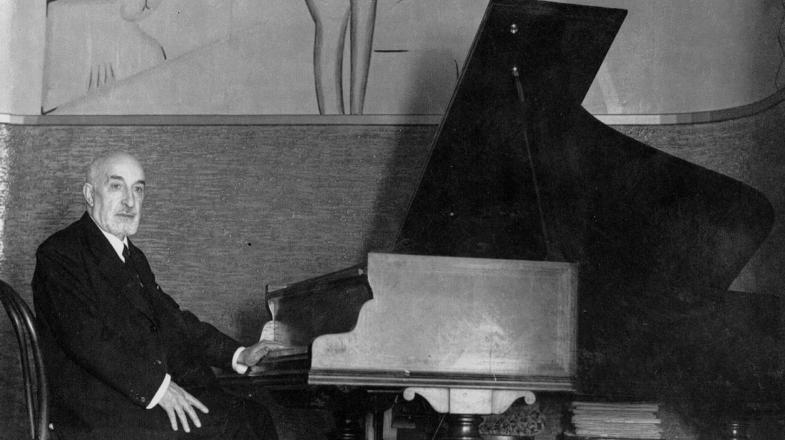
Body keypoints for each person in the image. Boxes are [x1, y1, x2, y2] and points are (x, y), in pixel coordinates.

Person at [32, 151, 279, 439]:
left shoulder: (132, 256)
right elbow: (88, 340)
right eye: (116, 186)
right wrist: (159, 390)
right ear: (89, 194)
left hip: (133, 399)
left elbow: (173, 320)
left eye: (138, 189)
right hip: (97, 414)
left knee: (252, 413)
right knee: (239, 422)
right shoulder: (60, 253)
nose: (129, 201)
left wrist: (237, 354)